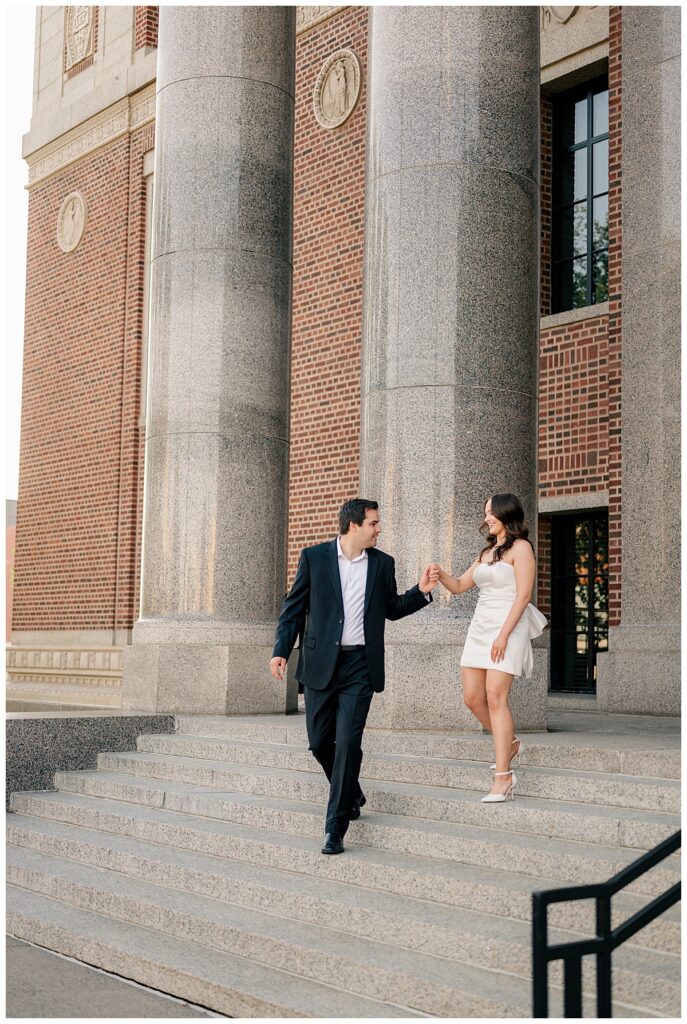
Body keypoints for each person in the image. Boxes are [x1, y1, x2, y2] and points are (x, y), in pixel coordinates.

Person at [270, 498, 436, 854]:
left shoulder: (382, 564)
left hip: (361, 666)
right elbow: (294, 608)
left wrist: (420, 592)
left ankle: (335, 828)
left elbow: (391, 609)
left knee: (347, 743)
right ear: (353, 526)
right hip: (320, 665)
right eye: (374, 523)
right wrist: (281, 650)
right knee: (319, 743)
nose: (379, 529)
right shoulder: (314, 558)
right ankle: (352, 790)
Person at [429, 494, 547, 803]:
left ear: (506, 514)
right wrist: (439, 574)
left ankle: (503, 777)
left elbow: (523, 596)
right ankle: (508, 743)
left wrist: (503, 636)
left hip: (509, 625)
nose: (487, 518)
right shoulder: (487, 552)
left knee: (496, 696)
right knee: (472, 698)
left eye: (491, 513)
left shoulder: (521, 549)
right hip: (480, 626)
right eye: (486, 513)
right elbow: (458, 586)